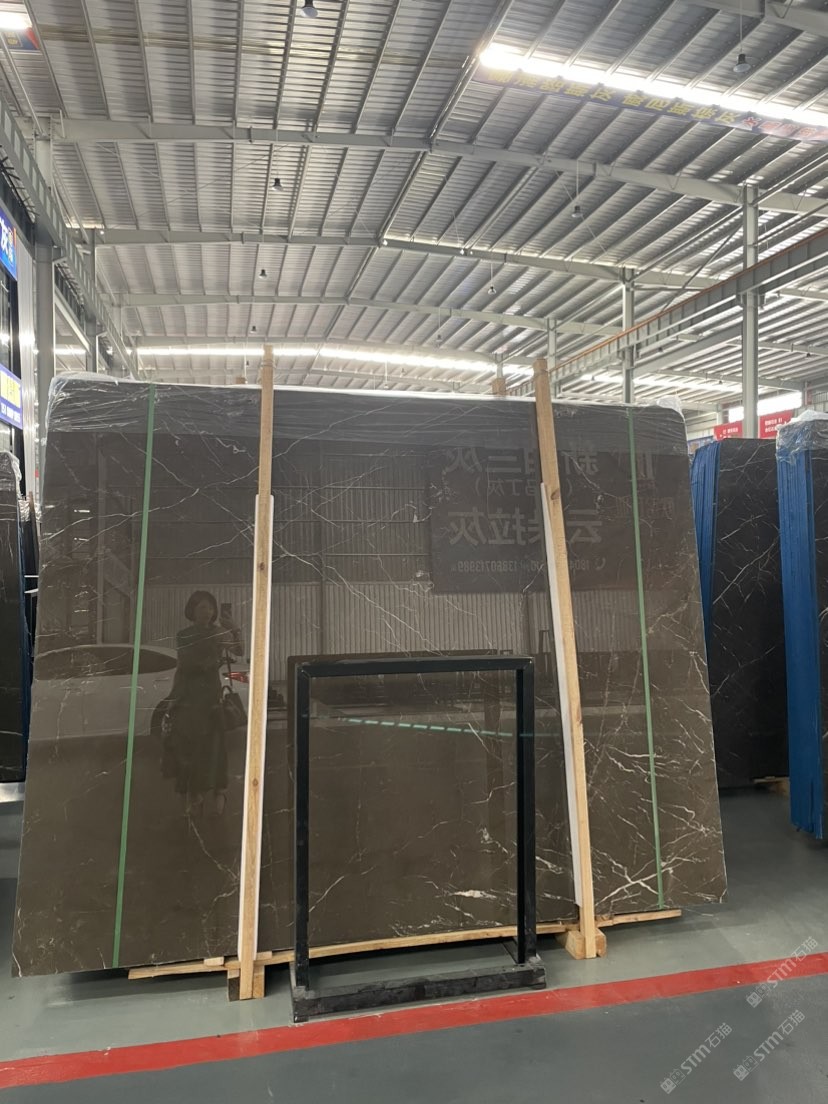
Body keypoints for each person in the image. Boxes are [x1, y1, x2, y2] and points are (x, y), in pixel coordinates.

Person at [165, 590, 243, 816]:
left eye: (210, 607)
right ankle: (195, 794)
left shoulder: (219, 633)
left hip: (210, 696)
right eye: (201, 607)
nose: (207, 612)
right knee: (190, 747)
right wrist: (173, 697)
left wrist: (234, 628)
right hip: (189, 696)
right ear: (192, 610)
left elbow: (240, 651)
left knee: (214, 745)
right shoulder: (184, 635)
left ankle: (219, 791)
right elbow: (185, 666)